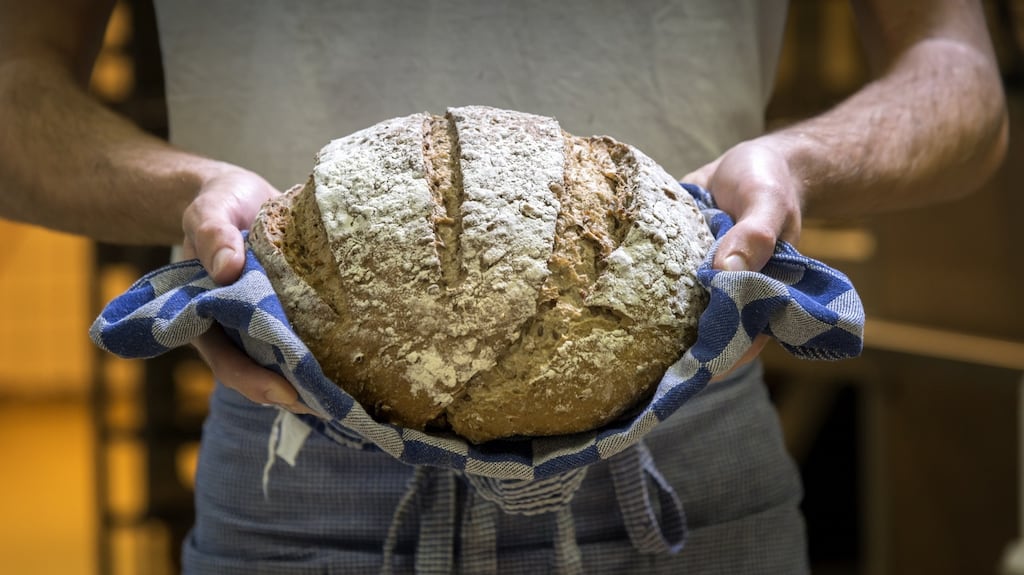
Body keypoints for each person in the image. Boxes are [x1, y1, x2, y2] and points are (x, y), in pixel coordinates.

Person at [0, 0, 1007, 573]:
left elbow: (959, 76)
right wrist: (193, 191)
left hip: (688, 476)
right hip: (298, 477)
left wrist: (797, 161)